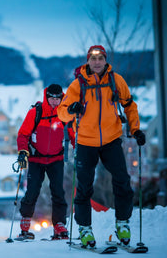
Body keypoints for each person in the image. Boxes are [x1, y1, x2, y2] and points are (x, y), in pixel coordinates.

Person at [57, 45, 146, 247]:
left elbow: (129, 105)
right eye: (93, 59)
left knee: (122, 181)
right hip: (85, 141)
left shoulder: (116, 80)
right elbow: (61, 113)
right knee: (84, 187)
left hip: (111, 139)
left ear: (105, 60)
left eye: (100, 58)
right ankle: (85, 229)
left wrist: (136, 130)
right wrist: (71, 109)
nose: (97, 62)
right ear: (88, 61)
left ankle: (123, 223)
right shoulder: (77, 85)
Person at [16, 84, 74, 240]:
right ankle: (25, 223)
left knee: (58, 192)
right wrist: (23, 151)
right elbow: (23, 135)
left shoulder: (64, 114)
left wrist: (79, 149)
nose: (55, 102)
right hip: (36, 158)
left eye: (57, 98)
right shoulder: (36, 112)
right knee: (32, 190)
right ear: (46, 97)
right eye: (52, 98)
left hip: (56, 158)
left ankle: (59, 225)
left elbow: (73, 133)